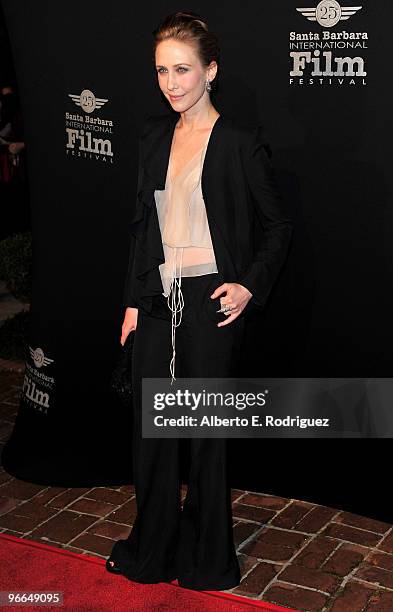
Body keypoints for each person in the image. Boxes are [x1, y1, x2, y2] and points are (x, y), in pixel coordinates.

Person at [106, 11, 293, 591]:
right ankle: (153, 550)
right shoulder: (152, 134)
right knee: (153, 436)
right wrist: (135, 301)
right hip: (159, 298)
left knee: (206, 437)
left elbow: (278, 225)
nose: (171, 82)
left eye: (183, 69)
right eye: (161, 70)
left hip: (211, 301)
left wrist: (250, 285)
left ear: (210, 70)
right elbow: (144, 225)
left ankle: (209, 558)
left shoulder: (238, 140)